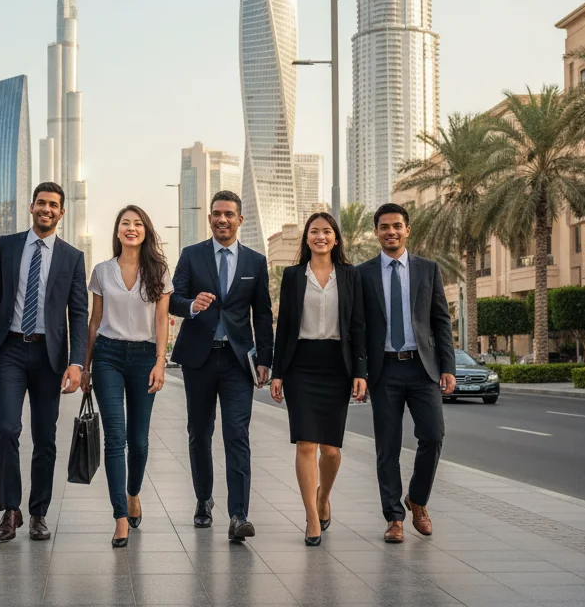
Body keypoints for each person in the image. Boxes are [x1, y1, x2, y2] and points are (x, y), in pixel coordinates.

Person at [0, 181, 88, 542]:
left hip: (49, 355)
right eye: (41, 203)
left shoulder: (72, 257)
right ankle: (10, 511)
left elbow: (79, 312)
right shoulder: (8, 246)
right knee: (7, 429)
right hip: (9, 349)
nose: (46, 209)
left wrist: (76, 363)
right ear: (31, 207)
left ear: (61, 212)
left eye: (53, 205)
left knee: (46, 438)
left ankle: (38, 512)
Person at [169, 190, 273, 541]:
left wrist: (264, 360)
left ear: (240, 220)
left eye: (229, 214)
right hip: (198, 358)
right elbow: (173, 300)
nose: (222, 219)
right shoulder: (191, 255)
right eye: (216, 213)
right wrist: (192, 305)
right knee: (199, 433)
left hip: (236, 361)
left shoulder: (255, 262)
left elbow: (263, 314)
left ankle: (239, 514)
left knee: (237, 435)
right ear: (210, 218)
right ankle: (203, 500)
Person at [357, 202, 456, 543]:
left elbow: (441, 320)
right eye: (384, 226)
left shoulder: (427, 269)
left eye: (397, 226)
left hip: (422, 367)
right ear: (376, 232)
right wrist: (360, 372)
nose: (391, 232)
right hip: (383, 370)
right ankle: (394, 518)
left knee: (432, 436)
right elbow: (358, 327)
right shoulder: (363, 273)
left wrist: (448, 366)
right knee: (388, 446)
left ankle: (417, 499)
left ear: (407, 230)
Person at [269, 212, 367, 546]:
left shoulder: (351, 276)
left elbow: (358, 327)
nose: (320, 236)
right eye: (314, 232)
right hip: (301, 366)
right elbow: (284, 328)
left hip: (336, 366)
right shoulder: (294, 276)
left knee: (332, 450)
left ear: (336, 239)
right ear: (306, 238)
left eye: (327, 232)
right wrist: (278, 371)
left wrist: (360, 372)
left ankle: (324, 496)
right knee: (306, 443)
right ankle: (312, 516)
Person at [81, 206, 172, 548]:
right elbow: (94, 320)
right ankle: (120, 516)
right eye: (125, 224)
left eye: (137, 224)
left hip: (144, 357)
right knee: (115, 436)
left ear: (145, 231)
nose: (131, 228)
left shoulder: (159, 271)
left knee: (140, 440)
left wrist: (161, 362)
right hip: (107, 355)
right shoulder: (102, 271)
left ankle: (133, 492)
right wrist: (87, 365)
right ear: (117, 231)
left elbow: (162, 319)